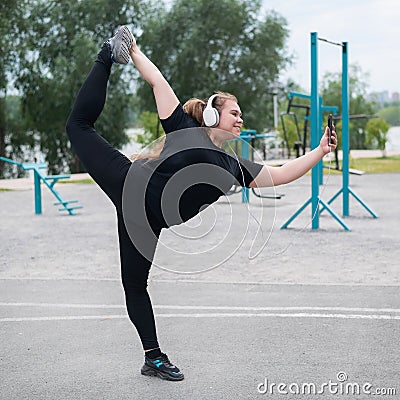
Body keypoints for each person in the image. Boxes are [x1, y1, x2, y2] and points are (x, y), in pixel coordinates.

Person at [66, 25, 337, 382]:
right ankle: (105, 53)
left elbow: (283, 173)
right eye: (234, 113)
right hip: (127, 181)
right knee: (78, 127)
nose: (240, 119)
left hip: (144, 221)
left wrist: (319, 151)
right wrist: (127, 49)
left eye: (241, 115)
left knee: (134, 285)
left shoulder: (234, 166)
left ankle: (153, 358)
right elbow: (158, 82)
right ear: (212, 116)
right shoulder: (181, 127)